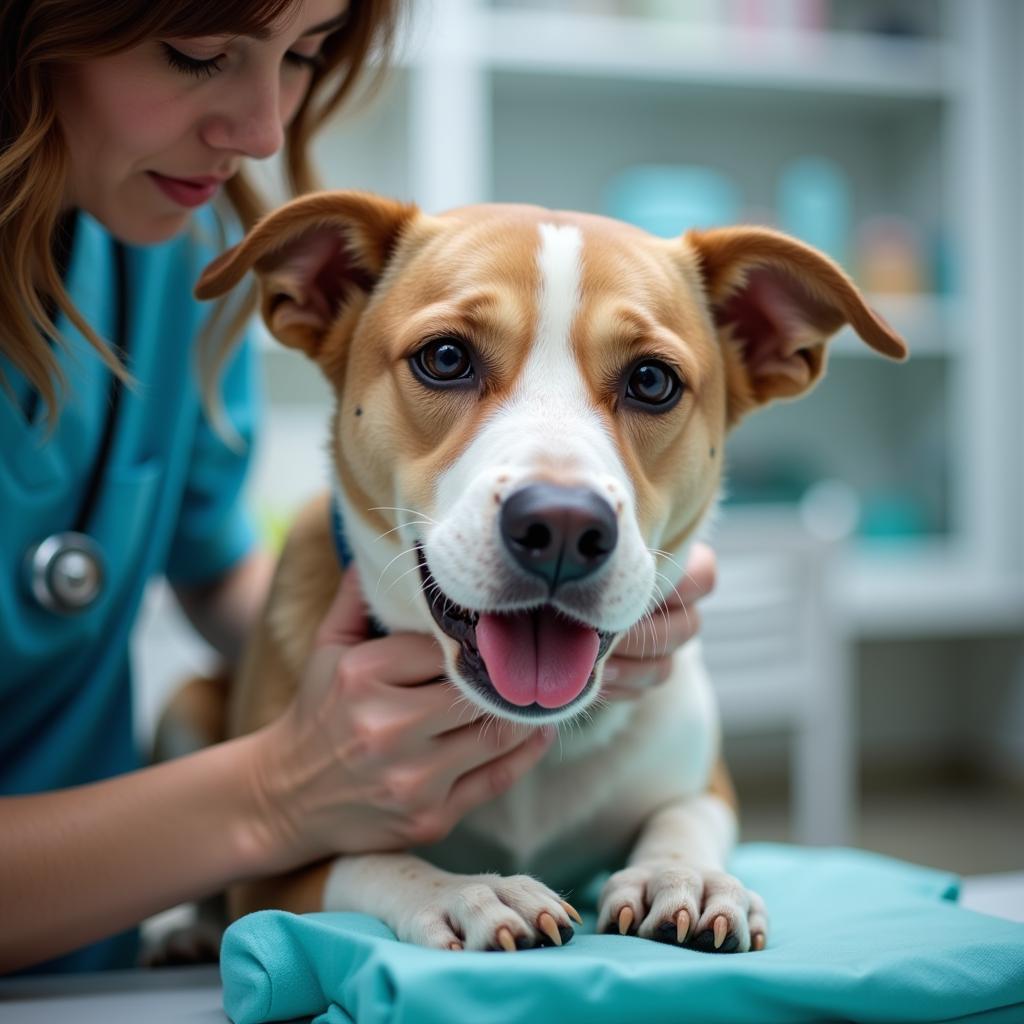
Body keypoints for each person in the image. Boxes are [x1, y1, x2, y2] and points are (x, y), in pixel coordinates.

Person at [0, 0, 717, 976]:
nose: (264, 132)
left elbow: (217, 579)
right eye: (196, 53)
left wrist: (419, 610)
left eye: (303, 54)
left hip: (109, 958)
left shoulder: (173, 241)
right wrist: (278, 791)